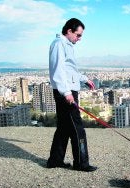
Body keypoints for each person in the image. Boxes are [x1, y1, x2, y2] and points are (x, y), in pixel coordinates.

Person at [47, 18, 97, 172]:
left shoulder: (66, 45)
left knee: (63, 128)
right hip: (66, 92)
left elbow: (70, 70)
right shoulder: (59, 44)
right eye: (78, 35)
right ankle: (81, 163)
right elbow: (58, 70)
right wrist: (67, 93)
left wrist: (85, 79)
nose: (79, 39)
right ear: (69, 31)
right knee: (78, 128)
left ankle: (55, 161)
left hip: (67, 90)